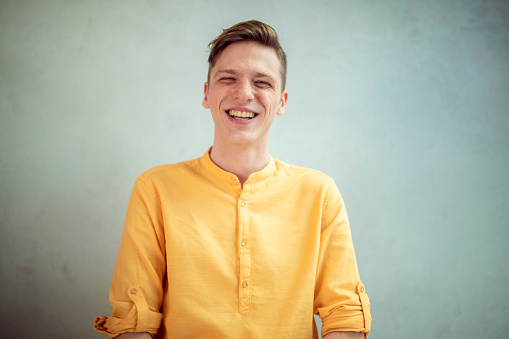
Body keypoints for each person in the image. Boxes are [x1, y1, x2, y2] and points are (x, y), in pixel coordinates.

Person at [94, 20, 371, 339]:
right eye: (228, 78)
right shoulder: (155, 189)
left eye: (262, 82)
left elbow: (345, 318)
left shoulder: (320, 194)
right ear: (207, 94)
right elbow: (133, 321)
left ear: (281, 102)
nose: (244, 93)